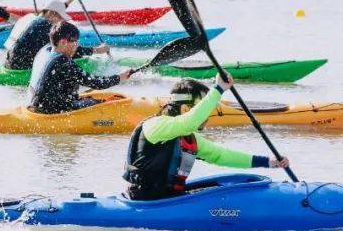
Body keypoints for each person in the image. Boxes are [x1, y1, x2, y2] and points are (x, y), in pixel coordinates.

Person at [122, 74, 291, 200]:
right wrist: (218, 90)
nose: (208, 115)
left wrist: (268, 162)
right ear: (186, 109)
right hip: (146, 201)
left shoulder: (188, 138)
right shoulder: (155, 126)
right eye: (203, 108)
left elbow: (221, 156)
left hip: (170, 198)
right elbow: (189, 122)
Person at [28, 21, 131, 113]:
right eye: (75, 42)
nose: (77, 45)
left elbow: (77, 51)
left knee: (89, 95)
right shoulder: (63, 62)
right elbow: (97, 83)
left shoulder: (46, 51)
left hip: (37, 105)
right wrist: (119, 77)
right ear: (63, 42)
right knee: (108, 103)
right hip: (54, 111)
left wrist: (96, 50)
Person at [4, 0, 108, 70]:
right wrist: (96, 50)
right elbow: (66, 48)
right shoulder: (47, 26)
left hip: (10, 62)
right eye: (60, 17)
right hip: (20, 67)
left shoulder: (35, 19)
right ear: (51, 14)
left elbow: (55, 10)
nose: (61, 21)